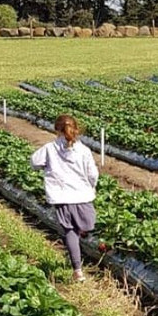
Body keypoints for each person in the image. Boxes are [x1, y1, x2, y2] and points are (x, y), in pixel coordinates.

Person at [29, 114, 98, 282]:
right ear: (76, 129)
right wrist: (92, 185)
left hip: (64, 195)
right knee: (73, 230)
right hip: (78, 194)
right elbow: (93, 173)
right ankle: (78, 271)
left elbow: (33, 162)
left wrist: (46, 166)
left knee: (81, 227)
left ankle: (77, 265)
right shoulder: (82, 150)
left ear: (56, 130)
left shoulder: (51, 148)